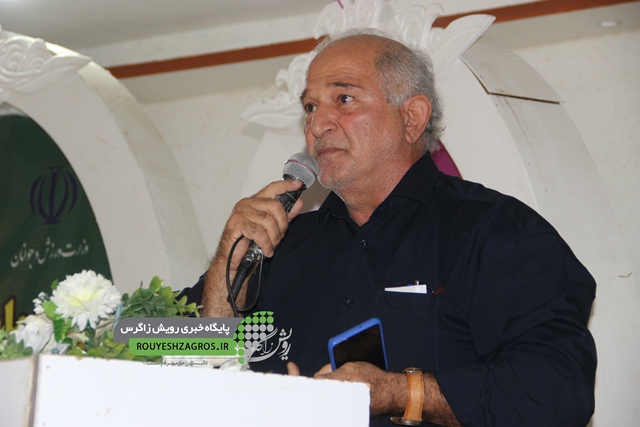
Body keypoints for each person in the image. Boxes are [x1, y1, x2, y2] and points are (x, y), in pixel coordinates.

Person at [182, 29, 597, 427]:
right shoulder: (277, 244)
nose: (317, 124)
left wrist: (400, 393)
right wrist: (226, 270)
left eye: (344, 99)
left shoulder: (496, 231)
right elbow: (150, 349)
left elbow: (558, 392)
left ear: (412, 117)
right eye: (309, 107)